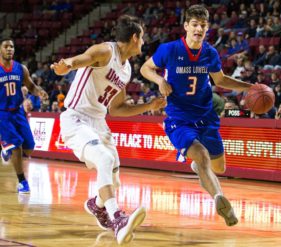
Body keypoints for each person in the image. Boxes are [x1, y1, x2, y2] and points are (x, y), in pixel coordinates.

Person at [50, 15, 166, 245]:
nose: (143, 42)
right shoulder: (105, 51)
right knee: (103, 159)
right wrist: (67, 65)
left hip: (100, 123)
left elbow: (117, 109)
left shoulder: (126, 70)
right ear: (134, 38)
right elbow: (84, 58)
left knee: (114, 178)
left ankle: (97, 205)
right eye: (142, 38)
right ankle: (117, 219)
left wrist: (149, 106)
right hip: (76, 119)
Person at [140, 5, 252, 227]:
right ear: (186, 26)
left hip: (207, 117)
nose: (199, 28)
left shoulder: (210, 53)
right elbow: (145, 68)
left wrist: (251, 87)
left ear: (207, 27)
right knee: (201, 155)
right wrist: (160, 81)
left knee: (218, 168)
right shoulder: (169, 50)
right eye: (194, 24)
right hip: (179, 119)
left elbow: (220, 81)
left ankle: (199, 169)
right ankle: (220, 199)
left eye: (203, 25)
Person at [0, 38, 48, 193]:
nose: (9, 49)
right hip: (2, 114)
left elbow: (31, 86)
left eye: (11, 47)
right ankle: (22, 182)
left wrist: (39, 92)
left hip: (18, 111)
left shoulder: (21, 68)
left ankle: (5, 148)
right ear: (0, 49)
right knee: (16, 146)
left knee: (29, 147)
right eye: (6, 46)